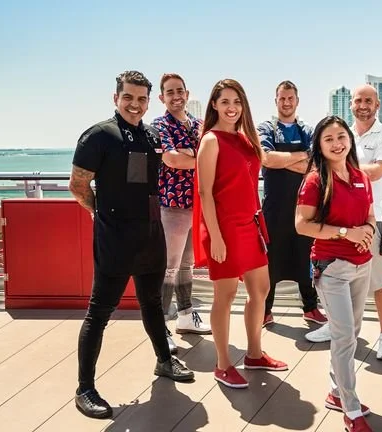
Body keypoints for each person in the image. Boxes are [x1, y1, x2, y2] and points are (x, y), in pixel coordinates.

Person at [69, 71, 194, 419]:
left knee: (152, 302)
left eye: (141, 99)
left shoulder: (152, 135)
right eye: (128, 97)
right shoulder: (99, 135)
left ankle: (164, 360)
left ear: (148, 101)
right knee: (99, 312)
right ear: (116, 98)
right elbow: (78, 185)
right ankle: (84, 389)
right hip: (115, 237)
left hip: (151, 234)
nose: (135, 104)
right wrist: (100, 214)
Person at [193, 78, 288, 389]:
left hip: (250, 225)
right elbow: (205, 193)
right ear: (214, 105)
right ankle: (222, 364)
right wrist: (216, 237)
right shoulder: (211, 140)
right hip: (225, 228)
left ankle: (255, 354)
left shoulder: (246, 139)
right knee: (226, 295)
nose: (231, 107)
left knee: (260, 289)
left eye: (237, 102)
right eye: (225, 102)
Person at [305, 85, 382, 362]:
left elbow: (378, 171)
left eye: (369, 100)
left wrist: (335, 167)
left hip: (372, 220)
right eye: (358, 100)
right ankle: (334, 326)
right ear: (351, 104)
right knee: (334, 277)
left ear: (377, 105)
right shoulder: (344, 134)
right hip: (336, 223)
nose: (363, 105)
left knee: (380, 281)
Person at [295, 115, 376, 432]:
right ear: (319, 145)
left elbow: (370, 216)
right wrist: (346, 233)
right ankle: (351, 409)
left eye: (341, 136)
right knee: (344, 338)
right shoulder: (315, 181)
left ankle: (335, 392)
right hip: (332, 268)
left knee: (351, 333)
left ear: (349, 140)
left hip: (363, 265)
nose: (337, 143)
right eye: (328, 138)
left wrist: (368, 230)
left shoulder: (361, 176)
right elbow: (302, 225)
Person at [257, 80, 326, 327]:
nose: (286, 102)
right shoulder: (266, 128)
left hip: (305, 207)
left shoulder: (308, 130)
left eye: (290, 98)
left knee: (306, 258)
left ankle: (310, 307)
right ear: (275, 101)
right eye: (282, 98)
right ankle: (265, 311)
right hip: (274, 209)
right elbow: (267, 158)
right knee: (270, 262)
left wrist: (283, 161)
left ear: (297, 101)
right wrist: (302, 157)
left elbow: (317, 164)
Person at [151, 73, 211, 352]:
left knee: (187, 264)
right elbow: (171, 159)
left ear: (187, 94)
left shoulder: (200, 125)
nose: (176, 96)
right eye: (170, 92)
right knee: (168, 267)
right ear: (162, 97)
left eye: (179, 91)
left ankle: (186, 315)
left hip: (196, 204)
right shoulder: (159, 125)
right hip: (172, 205)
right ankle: (161, 326)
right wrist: (195, 156)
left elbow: (212, 156)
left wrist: (189, 153)